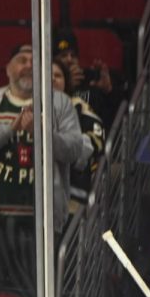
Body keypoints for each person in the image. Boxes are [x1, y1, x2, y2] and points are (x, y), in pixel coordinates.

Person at [0, 44, 85, 297]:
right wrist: (9, 129)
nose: (27, 65)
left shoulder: (58, 102)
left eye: (33, 60)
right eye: (21, 60)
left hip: (42, 225)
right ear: (7, 69)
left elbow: (75, 149)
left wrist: (42, 132)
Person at [50, 59, 104, 212]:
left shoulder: (78, 106)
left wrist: (58, 145)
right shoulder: (26, 107)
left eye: (58, 75)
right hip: (30, 198)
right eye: (48, 74)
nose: (53, 78)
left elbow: (95, 142)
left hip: (71, 196)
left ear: (66, 82)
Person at [53, 31, 118, 126]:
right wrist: (67, 86)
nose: (69, 59)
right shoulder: (51, 85)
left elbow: (110, 121)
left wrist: (107, 92)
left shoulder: (90, 82)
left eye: (73, 55)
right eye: (63, 55)